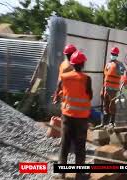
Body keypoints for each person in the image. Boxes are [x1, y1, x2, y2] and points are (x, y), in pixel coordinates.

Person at [54, 50, 92, 179]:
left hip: (67, 116)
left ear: (72, 63)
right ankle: (79, 174)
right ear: (82, 64)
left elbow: (59, 90)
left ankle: (61, 173)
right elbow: (90, 95)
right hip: (81, 118)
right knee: (80, 146)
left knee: (65, 144)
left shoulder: (64, 77)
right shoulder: (87, 79)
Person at [100, 47, 127, 127]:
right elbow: (105, 76)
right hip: (106, 88)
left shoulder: (119, 64)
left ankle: (111, 122)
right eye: (112, 54)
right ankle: (104, 123)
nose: (113, 55)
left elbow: (124, 72)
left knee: (112, 105)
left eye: (114, 54)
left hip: (113, 89)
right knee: (105, 105)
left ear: (117, 55)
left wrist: (125, 79)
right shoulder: (108, 64)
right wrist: (103, 88)